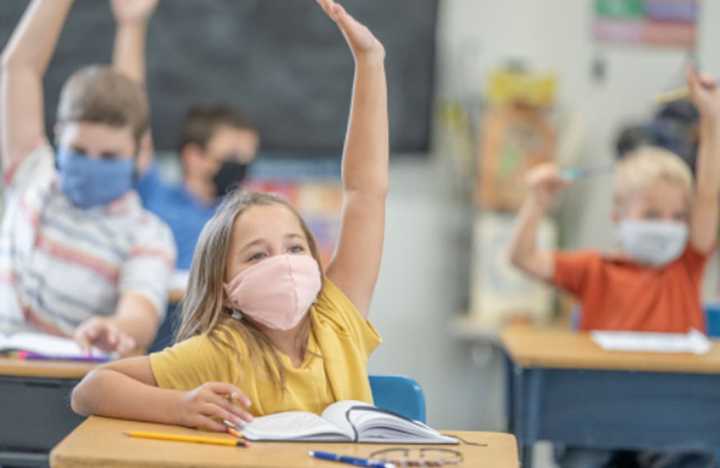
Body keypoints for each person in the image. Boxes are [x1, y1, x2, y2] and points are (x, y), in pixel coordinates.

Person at [71, 0, 389, 432]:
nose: (284, 265)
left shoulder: (338, 320)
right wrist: (179, 406)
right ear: (226, 284)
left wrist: (371, 61)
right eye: (257, 257)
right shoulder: (223, 349)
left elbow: (365, 193)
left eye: (295, 248)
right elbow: (89, 389)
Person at [509, 69, 719, 467]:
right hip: (599, 423)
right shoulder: (595, 268)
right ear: (618, 216)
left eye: (678, 215)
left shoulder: (686, 264)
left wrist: (711, 119)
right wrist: (536, 201)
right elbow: (522, 258)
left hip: (670, 426)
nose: (667, 224)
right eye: (652, 212)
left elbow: (709, 193)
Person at [0, 0, 176, 355]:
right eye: (79, 151)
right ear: (58, 133)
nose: (92, 164)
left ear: (137, 152)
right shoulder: (32, 174)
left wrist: (116, 329)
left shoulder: (146, 235)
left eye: (109, 157)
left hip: (51, 381)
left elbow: (139, 317)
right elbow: (19, 69)